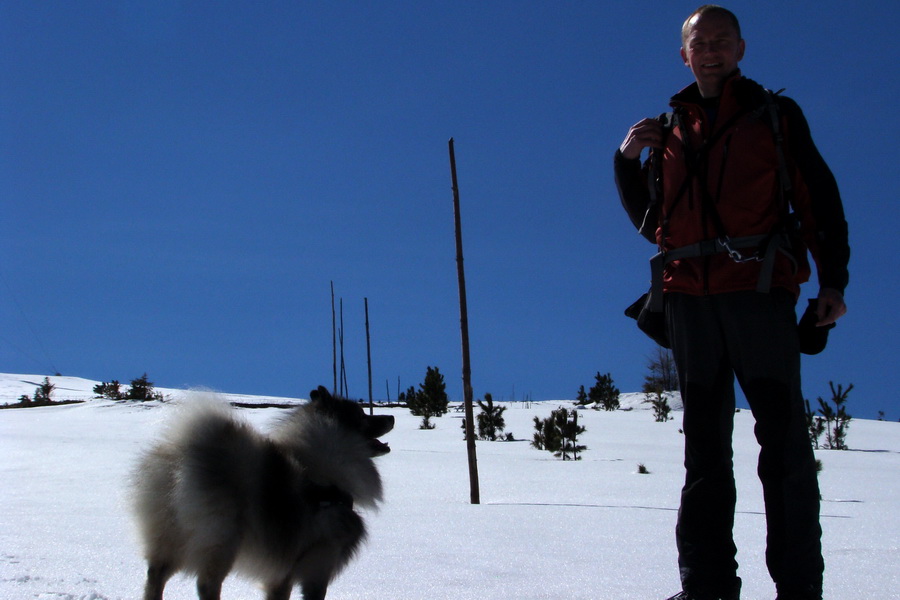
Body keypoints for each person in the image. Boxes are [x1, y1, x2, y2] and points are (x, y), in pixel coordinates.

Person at [614, 6, 849, 600]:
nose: (711, 50)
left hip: (758, 292)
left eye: (722, 41)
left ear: (741, 48)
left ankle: (800, 589)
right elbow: (653, 224)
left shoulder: (773, 115)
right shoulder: (668, 128)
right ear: (684, 55)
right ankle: (707, 587)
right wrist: (626, 164)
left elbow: (818, 194)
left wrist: (833, 283)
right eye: (700, 42)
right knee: (704, 456)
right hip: (690, 301)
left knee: (785, 447)